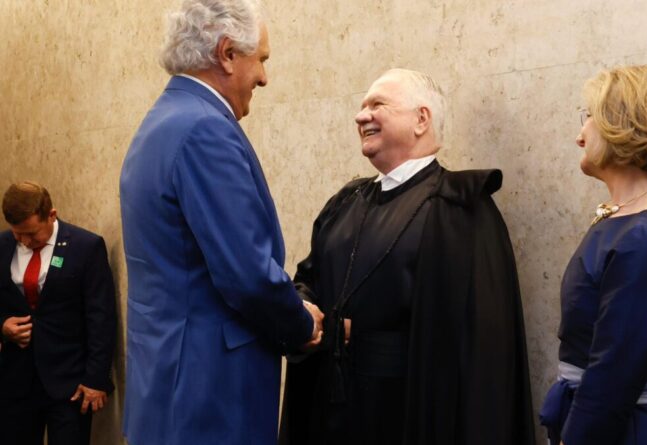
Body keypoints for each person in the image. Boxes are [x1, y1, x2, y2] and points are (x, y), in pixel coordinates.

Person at [279, 68, 535, 445]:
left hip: (411, 417)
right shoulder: (345, 203)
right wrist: (305, 311)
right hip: (330, 416)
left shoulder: (460, 208)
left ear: (421, 119)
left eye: (377, 104)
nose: (360, 115)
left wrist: (361, 337)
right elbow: (310, 278)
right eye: (361, 106)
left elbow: (476, 344)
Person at [119, 1, 323, 444]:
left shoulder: (161, 122)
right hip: (209, 394)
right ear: (227, 53)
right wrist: (301, 323)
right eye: (262, 59)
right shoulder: (204, 130)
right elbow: (246, 273)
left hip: (169, 385)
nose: (264, 78)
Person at [539, 65, 647, 445]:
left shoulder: (646, 237)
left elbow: (616, 371)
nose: (579, 135)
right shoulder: (632, 219)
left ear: (630, 125)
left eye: (590, 118)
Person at [0, 181, 116, 445]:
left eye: (31, 233)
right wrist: (2, 328)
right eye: (18, 234)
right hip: (15, 384)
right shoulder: (3, 246)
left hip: (70, 385)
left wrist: (96, 379)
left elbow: (101, 317)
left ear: (51, 215)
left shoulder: (86, 247)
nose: (25, 241)